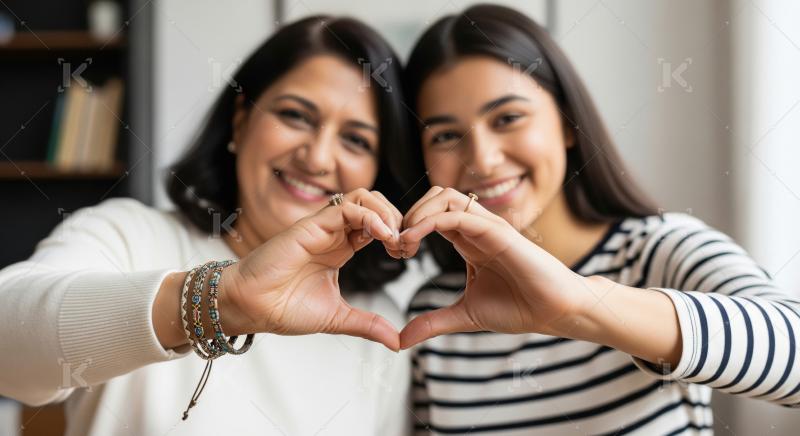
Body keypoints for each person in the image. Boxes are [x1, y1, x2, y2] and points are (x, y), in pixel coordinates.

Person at [0, 16, 416, 436]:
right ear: (240, 120)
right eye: (296, 116)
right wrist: (219, 301)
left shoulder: (378, 323)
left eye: (356, 140)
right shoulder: (129, 235)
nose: (319, 158)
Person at [395, 4, 800, 434]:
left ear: (568, 122)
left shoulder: (659, 251)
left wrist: (582, 304)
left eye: (508, 118)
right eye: (445, 136)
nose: (483, 159)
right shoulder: (434, 314)